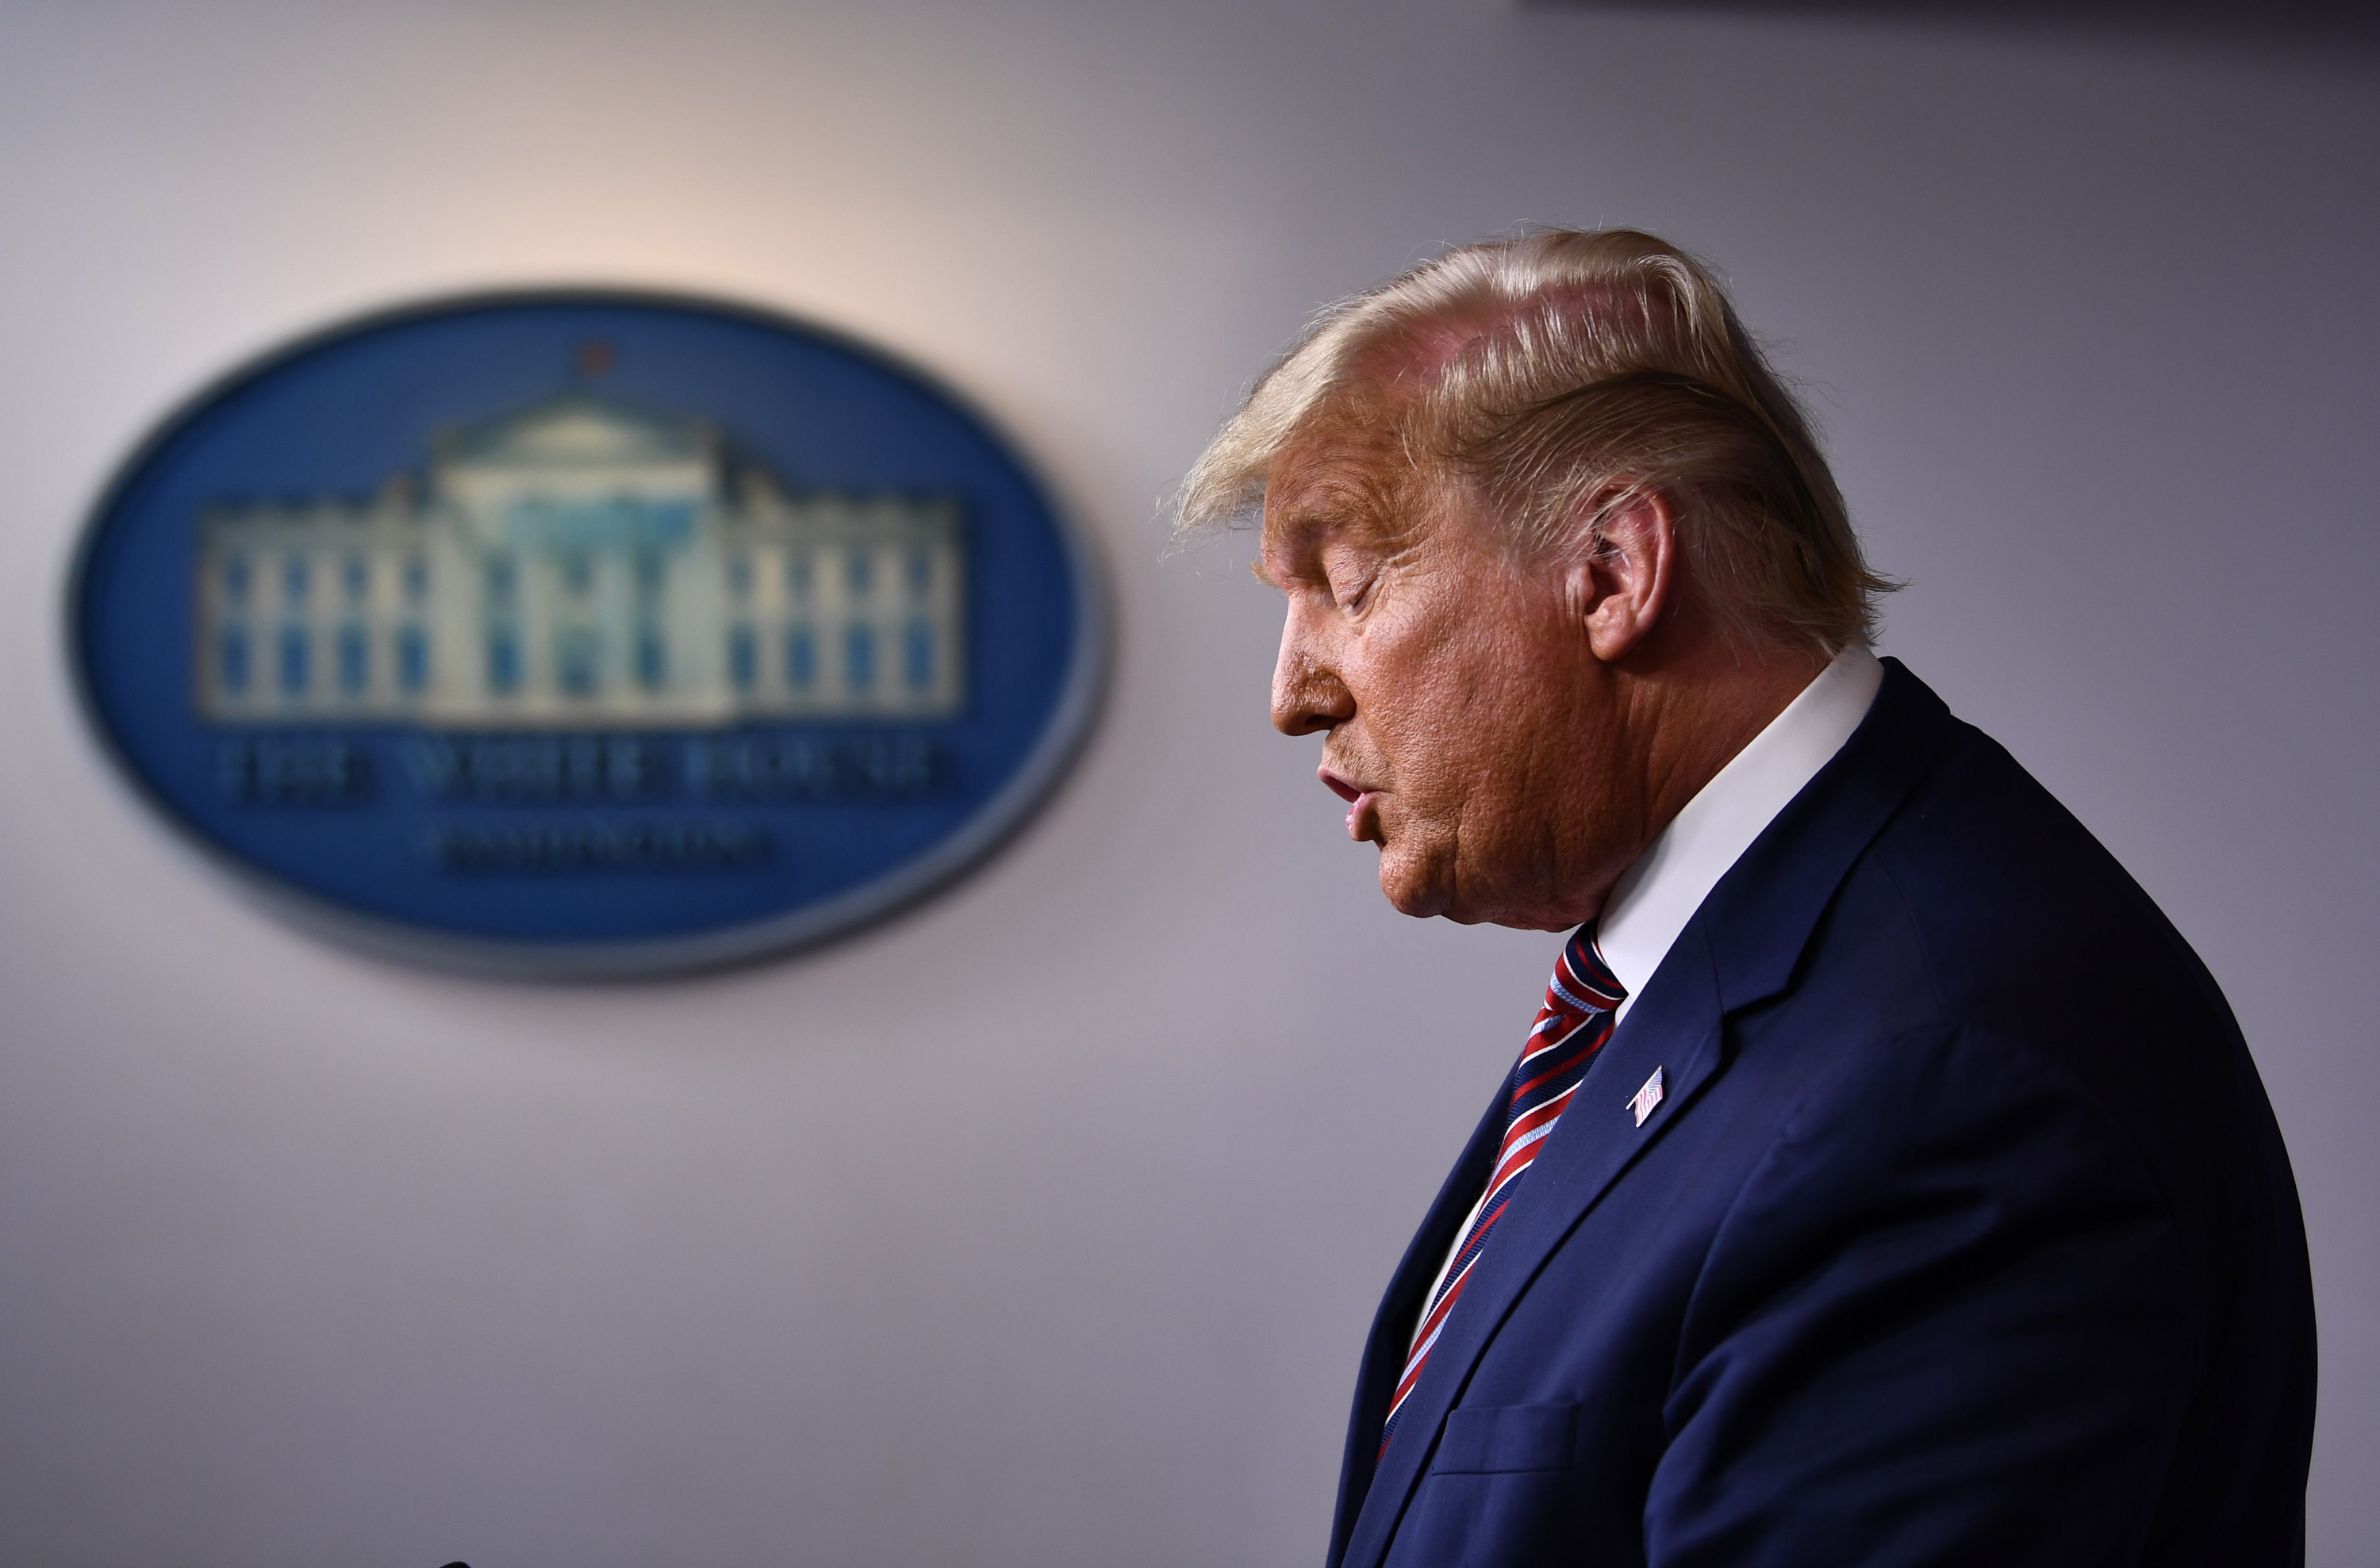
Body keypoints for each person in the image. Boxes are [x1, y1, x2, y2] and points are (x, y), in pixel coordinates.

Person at [1178, 228, 2316, 1566]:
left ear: (1613, 570)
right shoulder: (1755, 987)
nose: (1291, 692)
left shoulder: (1949, 1083)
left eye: (1349, 584)